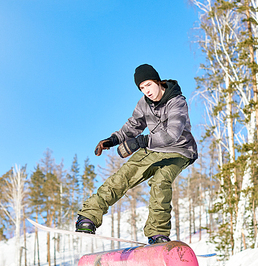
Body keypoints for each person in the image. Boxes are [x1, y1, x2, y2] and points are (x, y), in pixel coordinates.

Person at [75, 64, 198, 244]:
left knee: (161, 181)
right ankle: (88, 217)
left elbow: (172, 134)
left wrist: (140, 142)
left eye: (148, 85)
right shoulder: (143, 103)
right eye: (142, 88)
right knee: (123, 176)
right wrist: (113, 140)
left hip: (179, 150)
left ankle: (157, 233)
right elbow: (133, 126)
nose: (146, 91)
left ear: (157, 81)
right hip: (153, 149)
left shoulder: (177, 101)